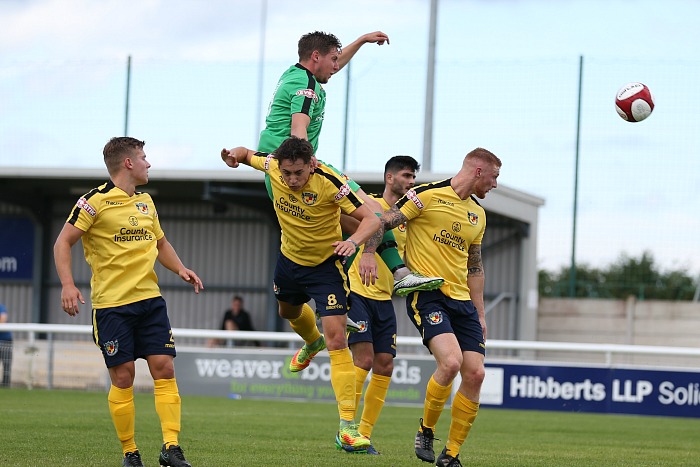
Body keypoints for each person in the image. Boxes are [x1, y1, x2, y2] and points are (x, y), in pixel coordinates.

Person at [220, 136, 381, 452]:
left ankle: (347, 428)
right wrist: (232, 155)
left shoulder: (330, 182)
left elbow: (372, 218)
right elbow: (247, 153)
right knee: (288, 313)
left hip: (326, 268)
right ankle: (311, 342)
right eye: (287, 173)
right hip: (289, 262)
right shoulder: (273, 167)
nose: (292, 180)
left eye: (299, 173)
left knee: (338, 340)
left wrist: (354, 242)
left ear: (312, 165)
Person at [53, 137, 203, 467]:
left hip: (150, 301)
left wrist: (180, 268)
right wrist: (67, 284)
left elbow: (161, 243)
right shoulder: (93, 202)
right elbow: (63, 242)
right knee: (124, 378)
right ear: (129, 164)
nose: (149, 163)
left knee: (164, 369)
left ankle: (171, 448)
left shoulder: (147, 202)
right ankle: (130, 453)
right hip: (111, 306)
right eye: (144, 158)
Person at [258, 30, 442, 297]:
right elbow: (299, 127)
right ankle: (373, 283)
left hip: (294, 166)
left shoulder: (295, 73)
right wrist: (306, 166)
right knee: (366, 217)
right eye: (333, 59)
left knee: (366, 216)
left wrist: (361, 41)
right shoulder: (307, 88)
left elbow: (329, 66)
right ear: (316, 56)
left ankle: (374, 285)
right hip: (295, 169)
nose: (336, 66)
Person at [361, 147, 502, 467]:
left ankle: (450, 455)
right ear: (478, 171)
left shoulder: (478, 215)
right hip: (428, 295)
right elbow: (383, 221)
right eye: (494, 177)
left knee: (476, 374)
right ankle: (426, 430)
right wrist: (369, 252)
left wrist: (480, 314)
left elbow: (475, 268)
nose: (494, 184)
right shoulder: (426, 195)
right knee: (450, 363)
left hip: (463, 302)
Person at [339, 155, 421, 456]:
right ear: (390, 178)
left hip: (385, 299)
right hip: (358, 292)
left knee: (385, 364)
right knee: (363, 359)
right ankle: (345, 430)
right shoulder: (367, 206)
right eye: (407, 176)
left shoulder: (407, 217)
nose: (411, 182)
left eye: (413, 177)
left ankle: (364, 434)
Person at [0, 303, 12, 387]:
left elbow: (3, 319)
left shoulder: (1, 307)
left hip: (5, 340)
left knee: (6, 363)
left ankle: (5, 384)